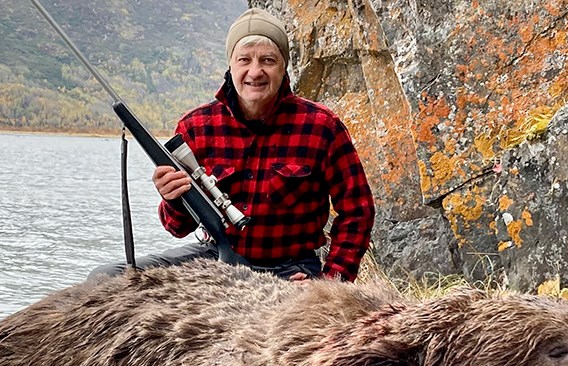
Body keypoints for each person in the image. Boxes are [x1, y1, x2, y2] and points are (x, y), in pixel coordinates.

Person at [90, 8, 375, 282]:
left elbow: (358, 211)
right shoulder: (195, 127)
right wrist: (172, 197)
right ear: (230, 64)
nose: (255, 71)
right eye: (244, 60)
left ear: (284, 66)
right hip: (212, 255)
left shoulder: (322, 127)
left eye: (267, 60)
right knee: (105, 278)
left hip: (291, 267)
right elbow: (177, 228)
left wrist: (328, 284)